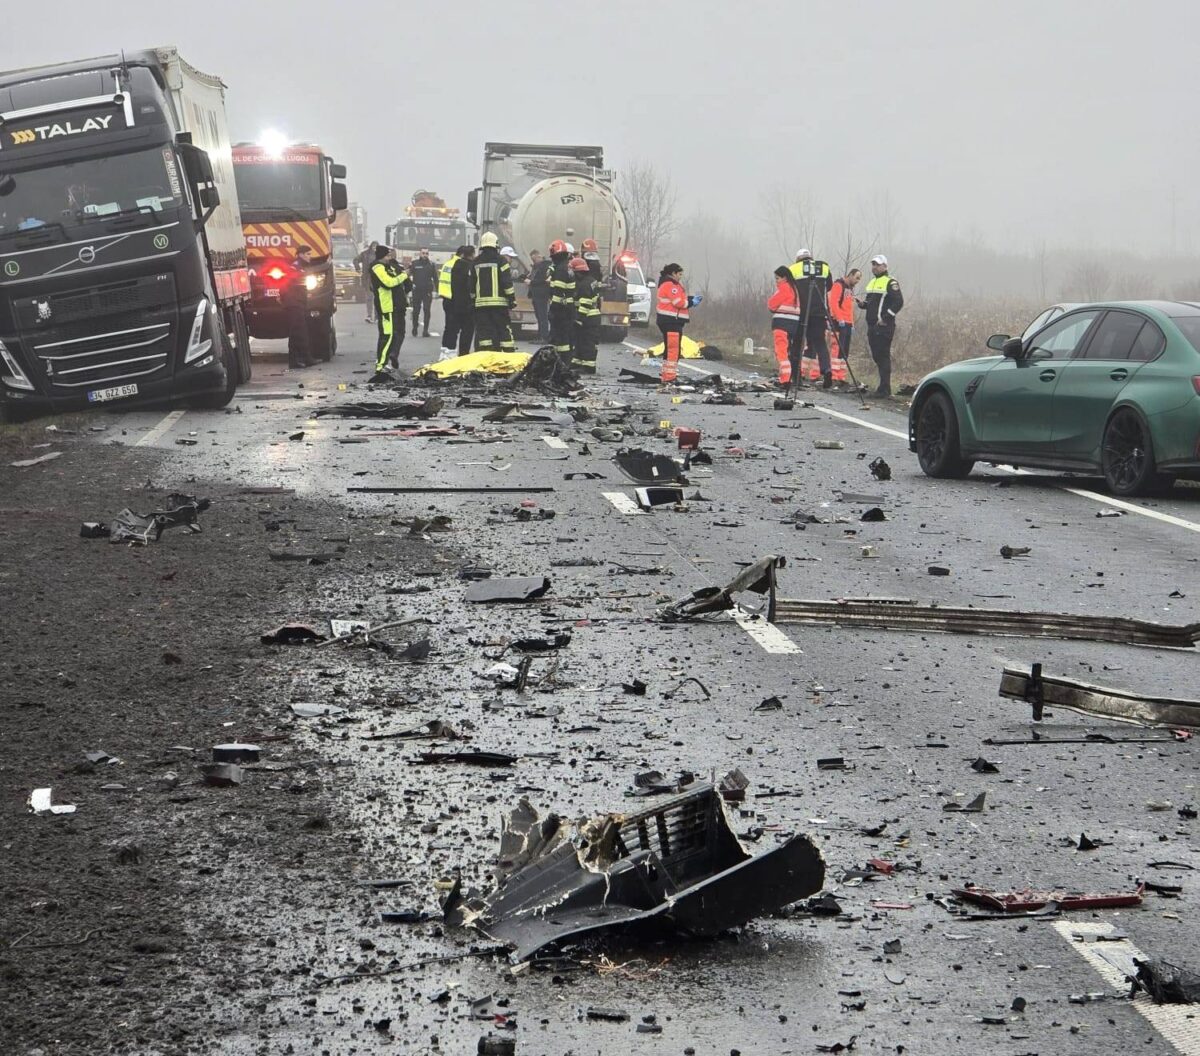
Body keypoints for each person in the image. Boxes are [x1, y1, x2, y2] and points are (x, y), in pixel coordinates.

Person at [857, 254, 903, 397]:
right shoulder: (871, 283)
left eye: (877, 264)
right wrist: (862, 304)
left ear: (884, 266)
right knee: (877, 356)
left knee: (883, 356)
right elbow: (871, 304)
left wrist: (886, 317)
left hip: (884, 326)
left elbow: (899, 302)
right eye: (873, 264)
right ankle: (882, 387)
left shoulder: (891, 282)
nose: (874, 267)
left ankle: (885, 389)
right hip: (872, 326)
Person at [788, 248, 833, 387]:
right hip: (819, 312)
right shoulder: (823, 268)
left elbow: (789, 290)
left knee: (797, 344)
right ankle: (826, 369)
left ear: (798, 259)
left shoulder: (793, 269)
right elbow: (829, 286)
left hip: (801, 313)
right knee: (820, 343)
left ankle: (796, 377)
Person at [473, 232, 517, 352]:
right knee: (503, 330)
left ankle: (486, 356)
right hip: (499, 305)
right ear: (496, 245)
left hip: (481, 306)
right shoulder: (501, 261)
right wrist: (511, 299)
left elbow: (471, 284)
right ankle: (509, 356)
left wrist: (473, 300)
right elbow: (507, 282)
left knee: (484, 333)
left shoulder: (475, 262)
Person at [655, 263, 698, 384]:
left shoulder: (669, 284)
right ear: (673, 273)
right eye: (679, 274)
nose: (680, 277)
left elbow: (678, 299)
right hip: (671, 321)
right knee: (673, 349)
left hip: (671, 320)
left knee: (670, 348)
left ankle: (666, 374)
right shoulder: (670, 285)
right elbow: (678, 302)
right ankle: (669, 376)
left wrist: (690, 299)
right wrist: (691, 303)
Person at [371, 245, 411, 373]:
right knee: (387, 336)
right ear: (382, 256)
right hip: (386, 306)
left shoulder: (389, 266)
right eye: (387, 256)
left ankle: (384, 362)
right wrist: (404, 275)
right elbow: (388, 283)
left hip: (395, 305)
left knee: (391, 335)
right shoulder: (377, 267)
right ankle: (380, 365)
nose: (389, 258)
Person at [767, 265, 800, 387]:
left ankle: (785, 379)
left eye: (777, 278)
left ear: (784, 278)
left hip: (782, 324)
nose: (776, 281)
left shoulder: (784, 288)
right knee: (788, 351)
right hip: (794, 325)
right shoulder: (796, 289)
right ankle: (787, 377)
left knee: (781, 352)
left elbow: (771, 304)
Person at [441, 245, 476, 358]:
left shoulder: (453, 265)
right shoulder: (470, 267)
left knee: (452, 329)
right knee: (467, 331)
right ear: (471, 254)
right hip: (467, 304)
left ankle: (448, 353)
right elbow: (470, 285)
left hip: (454, 302)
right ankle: (463, 354)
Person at [827, 268, 861, 387]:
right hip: (838, 322)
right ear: (850, 275)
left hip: (847, 323)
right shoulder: (838, 285)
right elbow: (833, 303)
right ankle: (834, 376)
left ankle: (841, 376)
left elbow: (849, 308)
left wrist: (851, 323)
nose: (857, 281)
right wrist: (839, 318)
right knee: (837, 349)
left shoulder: (850, 289)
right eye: (856, 278)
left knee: (844, 351)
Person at [285, 244, 315, 369]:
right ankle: (302, 359)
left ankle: (299, 359)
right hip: (294, 304)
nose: (310, 257)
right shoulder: (296, 268)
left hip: (298, 303)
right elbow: (290, 286)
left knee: (298, 332)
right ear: (301, 255)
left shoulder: (301, 267)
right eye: (308, 254)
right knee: (298, 332)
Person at [570, 256, 601, 374]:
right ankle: (577, 362)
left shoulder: (584, 285)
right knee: (580, 341)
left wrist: (579, 319)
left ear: (578, 272)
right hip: (592, 317)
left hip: (588, 318)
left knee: (587, 342)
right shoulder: (591, 280)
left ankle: (588, 366)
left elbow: (585, 304)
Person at [547, 239, 576, 366]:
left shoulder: (560, 270)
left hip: (561, 310)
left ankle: (561, 362)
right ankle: (562, 362)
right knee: (565, 337)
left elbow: (558, 293)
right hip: (567, 308)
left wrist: (553, 310)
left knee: (560, 337)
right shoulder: (567, 267)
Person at [408, 247, 437, 337]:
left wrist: (437, 290)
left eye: (426, 253)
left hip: (427, 291)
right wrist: (409, 287)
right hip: (416, 290)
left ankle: (425, 331)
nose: (425, 255)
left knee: (427, 310)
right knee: (416, 310)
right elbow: (408, 275)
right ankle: (415, 327)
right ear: (420, 254)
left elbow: (436, 279)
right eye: (423, 253)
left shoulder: (431, 265)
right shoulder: (414, 264)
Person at [527, 250, 552, 343]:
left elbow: (543, 280)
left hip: (542, 294)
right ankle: (540, 335)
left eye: (533, 258)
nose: (533, 261)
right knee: (539, 317)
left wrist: (531, 282)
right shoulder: (536, 266)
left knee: (542, 316)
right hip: (536, 294)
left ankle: (544, 337)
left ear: (538, 256)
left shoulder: (545, 266)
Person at [358, 240, 379, 323]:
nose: (375, 248)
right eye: (373, 246)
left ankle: (377, 317)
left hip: (379, 279)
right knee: (369, 298)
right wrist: (357, 268)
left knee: (377, 299)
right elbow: (356, 260)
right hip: (368, 279)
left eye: (376, 246)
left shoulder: (381, 255)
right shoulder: (365, 254)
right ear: (371, 246)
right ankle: (369, 316)